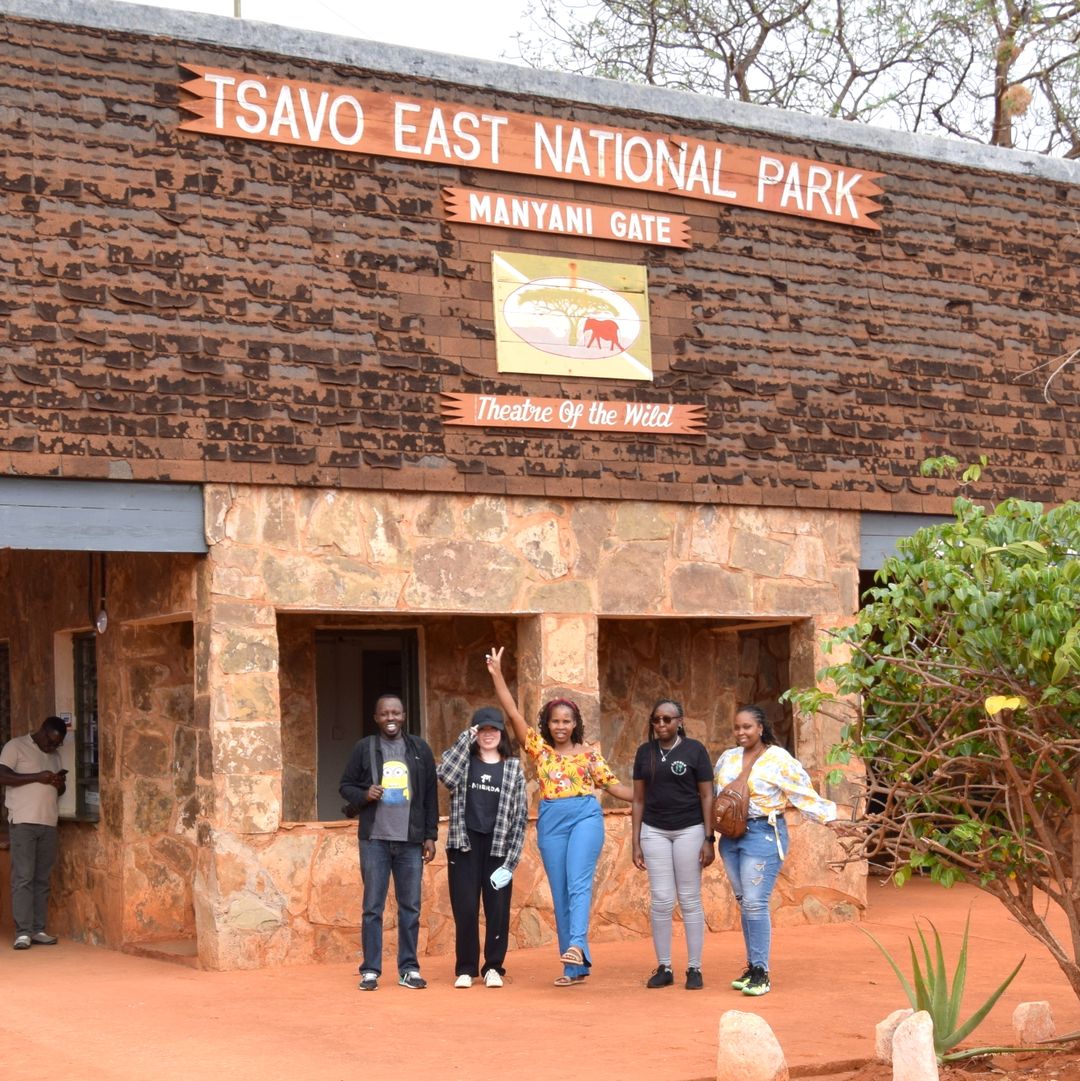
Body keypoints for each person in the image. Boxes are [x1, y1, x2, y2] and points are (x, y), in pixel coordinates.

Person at [485, 645, 632, 986]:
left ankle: (577, 945)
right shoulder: (540, 749)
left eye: (567, 721)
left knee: (579, 883)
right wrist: (497, 675)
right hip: (551, 819)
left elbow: (616, 788)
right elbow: (512, 713)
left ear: (576, 723)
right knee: (561, 891)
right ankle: (573, 967)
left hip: (584, 816)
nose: (561, 726)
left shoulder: (589, 756)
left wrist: (651, 794)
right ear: (547, 725)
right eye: (555, 721)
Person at [714, 703, 844, 997]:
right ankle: (752, 967)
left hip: (762, 834)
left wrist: (832, 819)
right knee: (744, 901)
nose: (741, 732)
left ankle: (762, 972)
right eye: (737, 727)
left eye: (747, 726)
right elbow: (715, 793)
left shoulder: (778, 759)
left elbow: (802, 793)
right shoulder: (728, 758)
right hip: (731, 837)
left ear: (760, 728)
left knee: (755, 903)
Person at [339, 694, 438, 991]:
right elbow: (345, 785)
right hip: (375, 840)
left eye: (395, 713)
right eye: (385, 714)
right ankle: (370, 970)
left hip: (410, 840)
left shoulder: (419, 749)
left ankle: (408, 969)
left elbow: (430, 795)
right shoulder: (365, 748)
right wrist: (364, 794)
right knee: (373, 907)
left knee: (410, 907)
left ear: (404, 715)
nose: (390, 718)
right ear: (376, 717)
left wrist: (430, 835)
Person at [437, 706, 527, 988]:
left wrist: (510, 863)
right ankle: (465, 968)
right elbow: (445, 775)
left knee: (497, 909)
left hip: (498, 846)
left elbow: (520, 817)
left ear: (501, 733)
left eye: (493, 729)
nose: (488, 735)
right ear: (475, 732)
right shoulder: (464, 761)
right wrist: (466, 739)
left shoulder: (512, 768)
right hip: (464, 845)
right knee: (465, 908)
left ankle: (493, 967)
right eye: (482, 729)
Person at [631, 698, 715, 990]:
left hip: (690, 830)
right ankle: (664, 966)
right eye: (657, 719)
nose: (662, 725)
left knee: (690, 899)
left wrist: (708, 838)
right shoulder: (645, 753)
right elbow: (638, 799)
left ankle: (695, 968)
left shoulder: (695, 750)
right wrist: (636, 842)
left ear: (680, 720)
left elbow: (707, 795)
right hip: (654, 831)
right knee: (662, 899)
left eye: (668, 719)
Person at [0, 716, 68, 950]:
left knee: (42, 879)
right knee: (23, 878)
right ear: (42, 732)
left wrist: (59, 783)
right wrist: (37, 777)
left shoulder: (54, 755)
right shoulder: (15, 747)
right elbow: (2, 776)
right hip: (23, 822)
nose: (52, 747)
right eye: (50, 742)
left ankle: (38, 929)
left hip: (48, 822)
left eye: (56, 744)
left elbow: (60, 791)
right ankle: (23, 932)